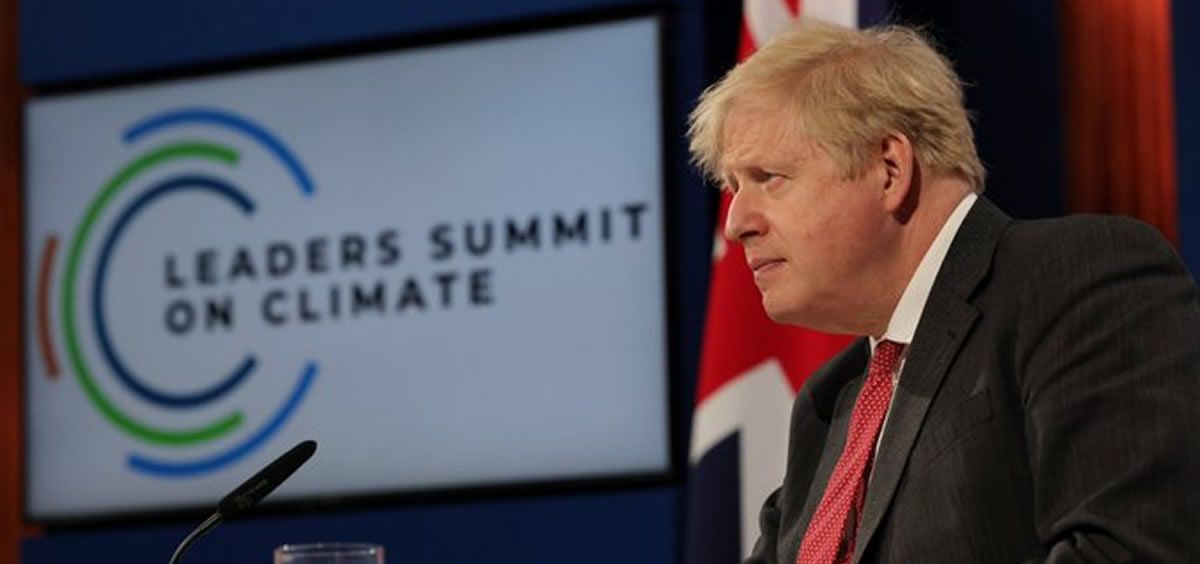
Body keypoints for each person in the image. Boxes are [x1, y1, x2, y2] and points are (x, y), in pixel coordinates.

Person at [687, 19, 1200, 564]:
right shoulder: (829, 402)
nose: (735, 224)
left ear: (889, 168)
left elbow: (1130, 548)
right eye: (733, 188)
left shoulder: (1078, 278)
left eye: (768, 177)